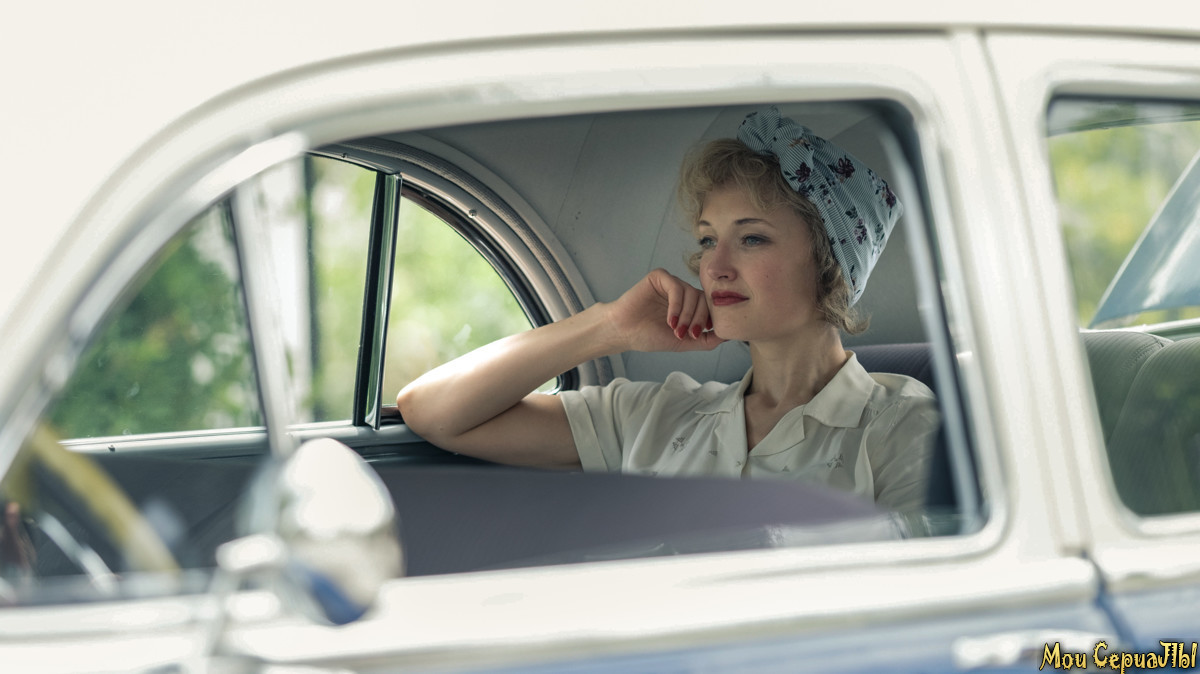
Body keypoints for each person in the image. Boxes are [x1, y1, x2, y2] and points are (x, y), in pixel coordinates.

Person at [397, 106, 939, 512]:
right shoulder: (656, 416)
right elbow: (431, 409)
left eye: (751, 239)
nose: (715, 267)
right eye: (707, 240)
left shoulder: (899, 425)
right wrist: (609, 326)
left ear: (830, 265)